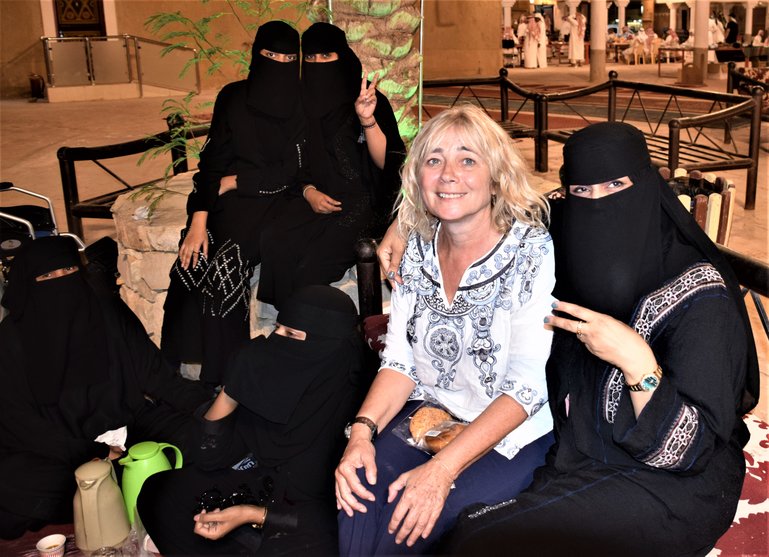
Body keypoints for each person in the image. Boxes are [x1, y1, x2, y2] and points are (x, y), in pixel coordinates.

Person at [447, 122, 760, 556]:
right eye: (582, 191)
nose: (598, 202)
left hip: (674, 483)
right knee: (465, 528)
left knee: (480, 541)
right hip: (579, 454)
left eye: (616, 184)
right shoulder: (566, 248)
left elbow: (691, 452)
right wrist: (403, 229)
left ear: (646, 185)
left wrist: (637, 363)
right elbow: (483, 216)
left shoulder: (699, 294)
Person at [334, 104, 556, 555]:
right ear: (417, 178)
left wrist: (442, 472)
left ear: (495, 176)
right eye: (433, 160)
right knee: (357, 484)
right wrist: (360, 434)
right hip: (432, 416)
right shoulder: (415, 245)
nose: (448, 173)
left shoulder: (530, 250)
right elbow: (399, 361)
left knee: (406, 523)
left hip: (508, 434)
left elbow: (527, 387)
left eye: (468, 159)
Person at [0, 236, 213, 540]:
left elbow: (155, 374)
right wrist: (90, 452)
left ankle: (122, 487)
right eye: (47, 276)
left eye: (69, 271)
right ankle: (134, 487)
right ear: (28, 285)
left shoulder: (105, 311)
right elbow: (21, 422)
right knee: (14, 481)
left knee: (204, 438)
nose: (61, 282)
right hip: (62, 446)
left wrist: (206, 407)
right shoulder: (10, 341)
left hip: (127, 424)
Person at [139, 285, 366, 555]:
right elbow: (208, 457)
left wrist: (251, 515)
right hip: (258, 487)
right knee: (161, 494)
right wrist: (232, 390)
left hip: (305, 528)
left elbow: (334, 520)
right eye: (277, 328)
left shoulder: (355, 406)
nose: (274, 340)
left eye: (290, 334)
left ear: (324, 345)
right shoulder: (275, 378)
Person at [160, 21, 304, 387]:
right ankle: (178, 369)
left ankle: (225, 377)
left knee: (227, 264)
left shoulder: (305, 102)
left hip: (278, 202)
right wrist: (198, 220)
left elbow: (293, 171)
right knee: (190, 261)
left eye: (289, 57)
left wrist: (236, 181)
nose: (279, 63)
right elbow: (212, 162)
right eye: (271, 55)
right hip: (228, 201)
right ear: (256, 55)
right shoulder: (233, 96)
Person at [256, 22, 405, 311]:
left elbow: (386, 162)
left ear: (342, 56)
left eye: (326, 56)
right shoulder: (301, 101)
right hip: (318, 196)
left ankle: (301, 330)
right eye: (310, 58)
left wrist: (367, 119)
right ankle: (289, 325)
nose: (317, 64)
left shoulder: (367, 99)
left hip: (365, 202)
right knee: (275, 239)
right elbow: (294, 161)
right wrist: (308, 191)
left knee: (312, 266)